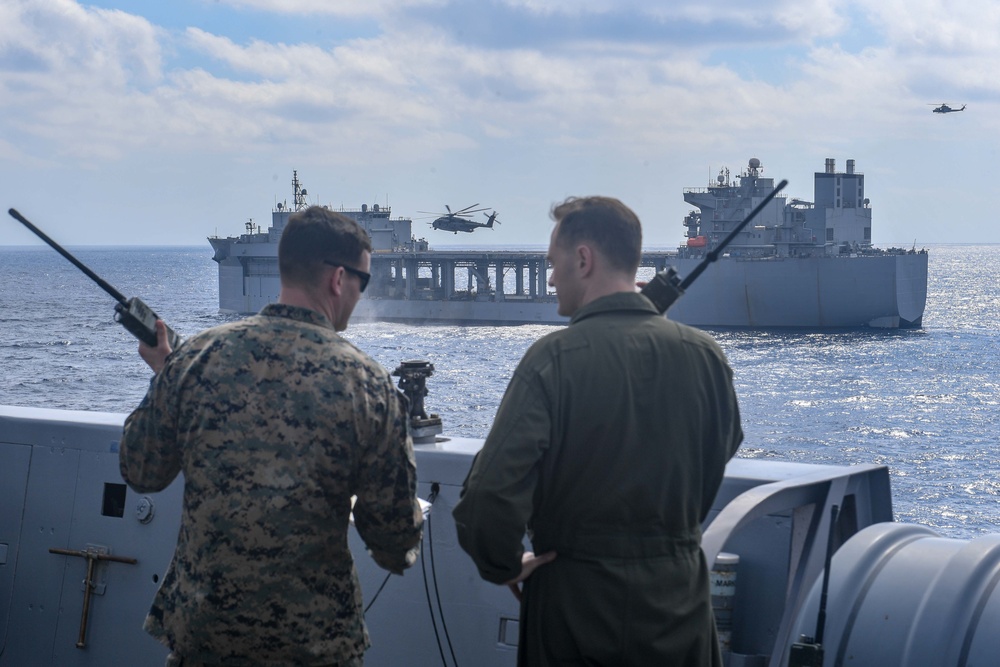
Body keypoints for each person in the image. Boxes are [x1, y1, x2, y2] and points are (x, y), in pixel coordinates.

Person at [120, 206, 423, 667]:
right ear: (340, 279)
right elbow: (394, 544)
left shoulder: (195, 359)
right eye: (364, 281)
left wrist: (164, 376)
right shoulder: (367, 384)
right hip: (313, 648)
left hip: (204, 641)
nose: (363, 293)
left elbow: (140, 470)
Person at [452, 196, 743, 666]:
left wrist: (503, 565)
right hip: (681, 606)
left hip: (575, 611)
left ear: (583, 259)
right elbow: (720, 449)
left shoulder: (552, 360)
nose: (550, 278)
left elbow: (488, 499)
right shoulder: (705, 355)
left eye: (553, 263)